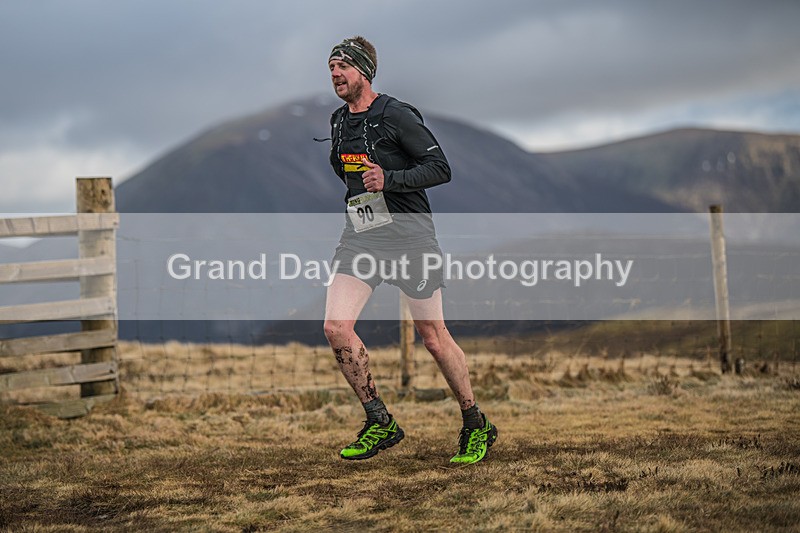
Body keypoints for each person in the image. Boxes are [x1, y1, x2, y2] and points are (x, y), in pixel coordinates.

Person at [322, 36, 497, 464]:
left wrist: (391, 181)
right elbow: (341, 169)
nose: (335, 75)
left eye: (342, 67)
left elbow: (441, 168)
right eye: (330, 69)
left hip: (411, 238)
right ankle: (380, 420)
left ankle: (476, 424)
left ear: (364, 70)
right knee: (335, 328)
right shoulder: (338, 121)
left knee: (433, 338)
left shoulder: (396, 115)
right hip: (362, 237)